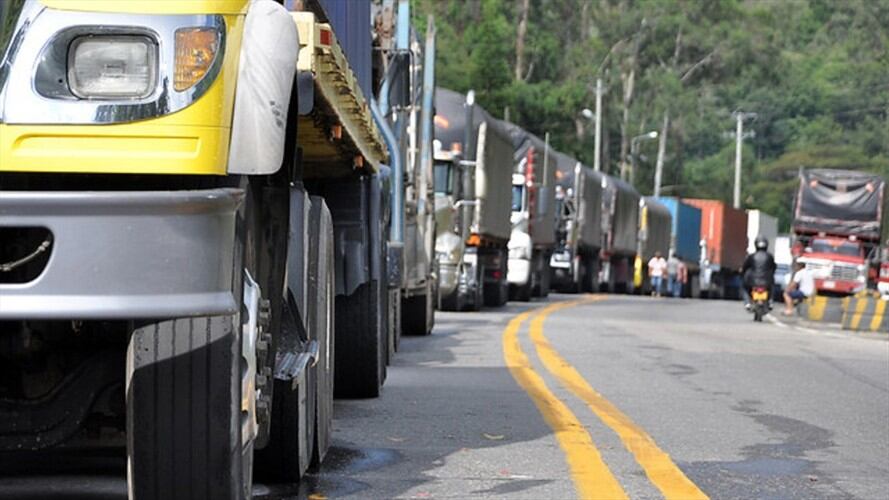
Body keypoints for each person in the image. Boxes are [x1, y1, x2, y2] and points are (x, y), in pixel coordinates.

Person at [742, 235, 776, 309]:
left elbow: (745, 267)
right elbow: (773, 267)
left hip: (752, 281)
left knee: (745, 288)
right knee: (772, 288)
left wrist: (743, 274)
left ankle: (747, 302)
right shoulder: (770, 256)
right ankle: (770, 301)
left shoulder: (751, 256)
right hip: (767, 281)